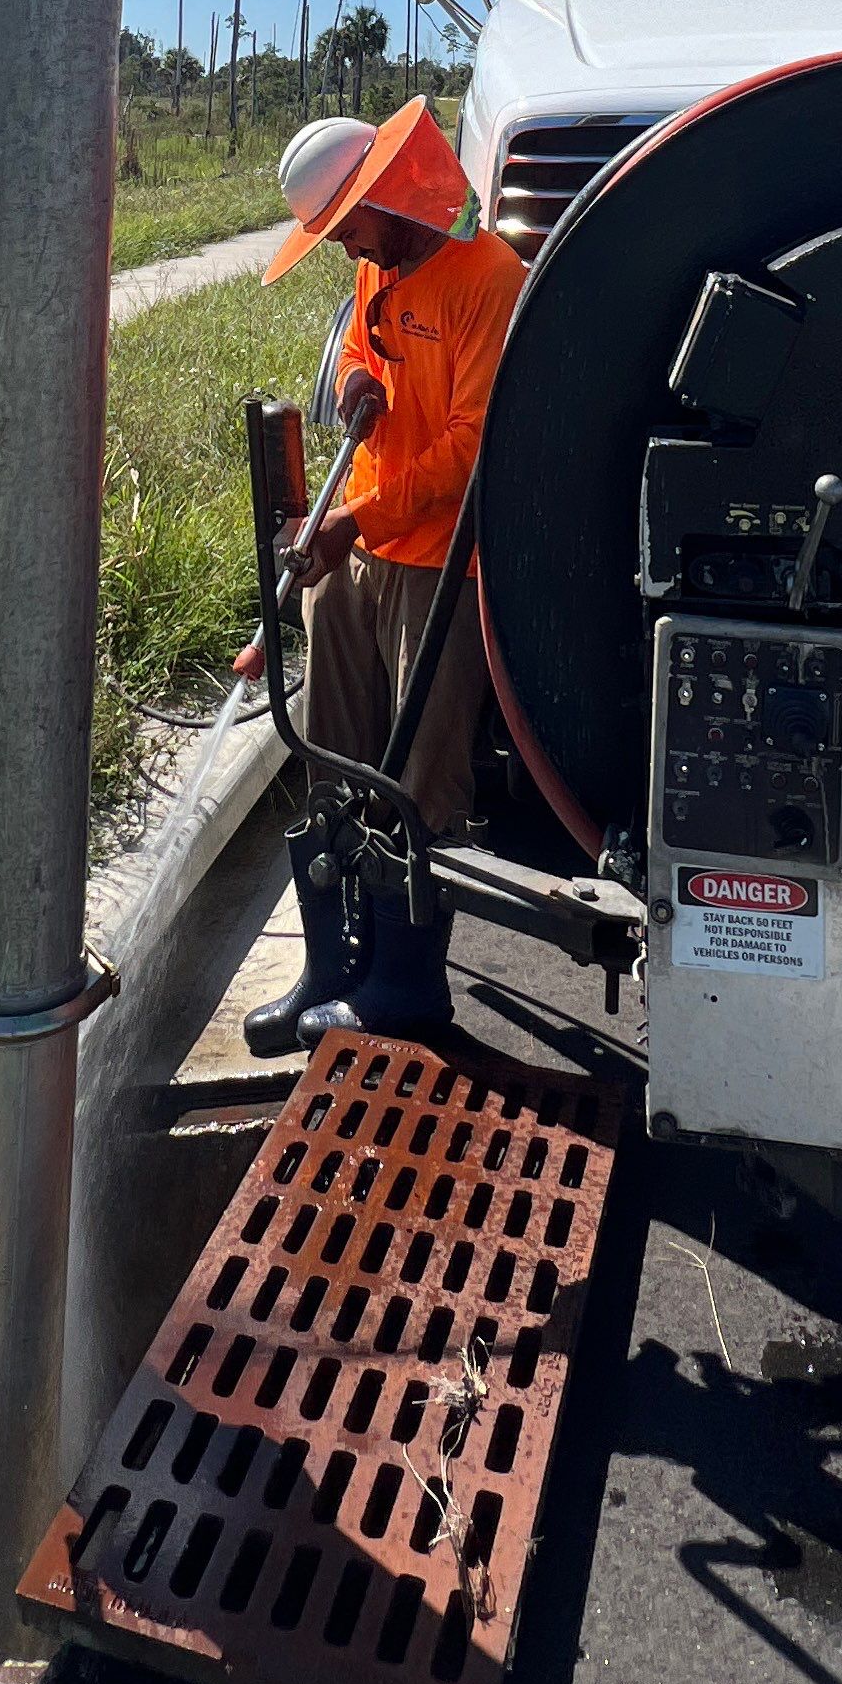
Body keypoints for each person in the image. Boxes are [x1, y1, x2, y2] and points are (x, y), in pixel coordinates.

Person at [244, 97, 524, 1050]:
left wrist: (359, 517)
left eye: (345, 223)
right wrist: (360, 377)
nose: (340, 245)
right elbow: (370, 351)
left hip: (444, 567)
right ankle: (333, 969)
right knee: (332, 755)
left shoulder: (488, 279)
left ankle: (406, 991)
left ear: (392, 192)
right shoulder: (379, 272)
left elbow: (475, 447)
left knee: (418, 780)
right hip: (361, 555)